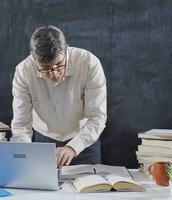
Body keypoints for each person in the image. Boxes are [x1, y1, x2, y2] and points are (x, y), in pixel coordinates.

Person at [11, 25, 107, 167]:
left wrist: (73, 147)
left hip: (84, 143)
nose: (54, 74)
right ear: (33, 58)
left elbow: (97, 116)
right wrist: (24, 154)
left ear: (66, 49)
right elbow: (21, 123)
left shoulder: (89, 63)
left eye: (59, 65)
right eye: (46, 68)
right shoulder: (23, 71)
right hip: (44, 143)